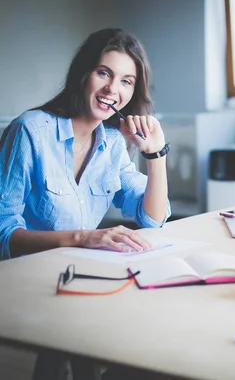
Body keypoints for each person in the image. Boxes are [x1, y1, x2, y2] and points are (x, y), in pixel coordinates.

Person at [0, 28, 171, 261]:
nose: (112, 88)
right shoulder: (30, 130)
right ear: (83, 73)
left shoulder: (112, 142)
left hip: (81, 270)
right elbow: (3, 232)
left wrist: (156, 155)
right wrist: (82, 238)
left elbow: (152, 219)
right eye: (103, 73)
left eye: (126, 81)